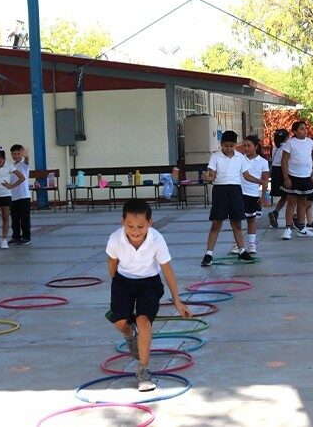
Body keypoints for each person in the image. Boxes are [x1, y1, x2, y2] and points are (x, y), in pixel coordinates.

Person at [106, 199, 191, 391]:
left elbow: (167, 270)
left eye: (140, 226)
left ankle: (143, 369)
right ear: (122, 222)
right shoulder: (115, 239)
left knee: (143, 320)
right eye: (130, 226)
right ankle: (130, 334)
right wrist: (117, 287)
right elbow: (111, 263)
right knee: (120, 322)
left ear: (150, 223)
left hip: (149, 283)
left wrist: (177, 301)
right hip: (123, 280)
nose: (135, 231)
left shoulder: (156, 239)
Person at [200, 130, 263, 267]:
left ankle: (242, 252)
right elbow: (212, 176)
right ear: (221, 144)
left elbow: (246, 175)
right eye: (226, 145)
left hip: (235, 190)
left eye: (231, 146)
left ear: (235, 145)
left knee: (236, 223)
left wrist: (260, 181)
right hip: (220, 190)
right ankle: (208, 254)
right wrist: (206, 177)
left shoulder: (240, 157)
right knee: (216, 223)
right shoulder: (215, 156)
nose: (228, 148)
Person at [229, 135, 269, 255]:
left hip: (252, 194)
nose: (246, 148)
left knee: (251, 220)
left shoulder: (263, 162)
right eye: (244, 145)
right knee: (237, 220)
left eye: (249, 145)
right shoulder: (239, 159)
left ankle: (252, 244)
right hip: (238, 193)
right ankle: (237, 244)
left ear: (256, 146)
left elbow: (265, 181)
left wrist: (262, 197)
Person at [280, 121, 313, 240]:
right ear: (295, 131)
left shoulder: (310, 142)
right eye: (301, 129)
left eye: (305, 128)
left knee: (303, 203)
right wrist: (286, 177)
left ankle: (301, 228)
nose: (305, 131)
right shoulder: (290, 143)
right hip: (293, 177)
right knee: (291, 203)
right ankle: (287, 229)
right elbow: (284, 160)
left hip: (306, 177)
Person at [294, 137, 313, 230]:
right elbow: (306, 173)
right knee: (306, 203)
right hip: (309, 182)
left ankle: (310, 222)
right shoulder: (306, 158)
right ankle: (297, 218)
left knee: (310, 204)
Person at [9, 144, 31, 245]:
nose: (16, 155)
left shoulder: (23, 164)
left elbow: (27, 161)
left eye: (18, 153)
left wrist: (26, 156)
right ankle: (16, 236)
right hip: (13, 197)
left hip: (24, 196)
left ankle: (26, 237)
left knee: (25, 218)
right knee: (15, 219)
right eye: (14, 154)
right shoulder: (12, 167)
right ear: (11, 155)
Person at [267, 129, 289, 228]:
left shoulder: (275, 148)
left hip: (275, 172)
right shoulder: (286, 148)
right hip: (283, 172)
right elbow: (287, 162)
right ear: (287, 138)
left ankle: (275, 213)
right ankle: (291, 219)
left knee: (285, 196)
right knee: (291, 196)